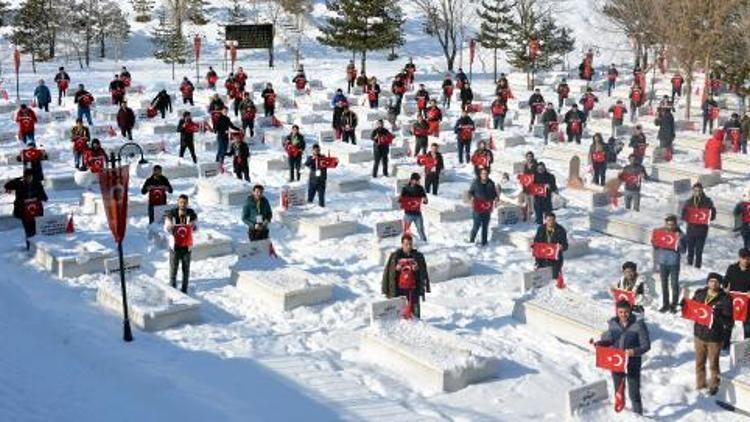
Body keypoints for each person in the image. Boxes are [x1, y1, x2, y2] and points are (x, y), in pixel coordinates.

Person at [594, 300, 651, 415]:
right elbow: (609, 340)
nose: (623, 315)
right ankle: (621, 412)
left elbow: (646, 346)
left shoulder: (639, 325)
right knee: (618, 389)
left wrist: (634, 351)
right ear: (617, 312)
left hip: (632, 362)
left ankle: (638, 415)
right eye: (620, 312)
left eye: (626, 312)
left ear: (630, 311)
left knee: (633, 392)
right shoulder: (613, 324)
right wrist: (600, 344)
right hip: (616, 361)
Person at [689, 273, 732, 395]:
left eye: (716, 282)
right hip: (699, 334)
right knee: (699, 363)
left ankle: (714, 384)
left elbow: (729, 321)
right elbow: (692, 308)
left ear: (720, 284)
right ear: (708, 282)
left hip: (714, 337)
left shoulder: (725, 299)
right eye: (711, 281)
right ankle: (700, 384)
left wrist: (719, 316)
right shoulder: (700, 294)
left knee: (713, 364)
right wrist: (685, 305)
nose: (713, 284)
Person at [382, 234, 430, 318]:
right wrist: (396, 269)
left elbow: (424, 272)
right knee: (400, 313)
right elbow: (388, 273)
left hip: (413, 289)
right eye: (406, 244)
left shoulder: (418, 256)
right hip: (399, 290)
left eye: (410, 244)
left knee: (415, 313)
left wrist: (417, 269)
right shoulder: (395, 256)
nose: (409, 246)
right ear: (402, 244)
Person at [4, 169, 48, 250]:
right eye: (27, 177)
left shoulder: (37, 184)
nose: (29, 178)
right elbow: (7, 186)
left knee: (35, 230)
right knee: (28, 231)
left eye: (30, 177)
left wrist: (37, 198)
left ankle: (36, 247)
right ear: (24, 177)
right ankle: (29, 247)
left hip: (36, 212)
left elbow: (44, 197)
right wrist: (17, 179)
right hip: (24, 212)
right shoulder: (19, 184)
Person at [164, 195, 196, 294]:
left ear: (187, 203)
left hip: (186, 246)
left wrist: (193, 226)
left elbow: (197, 226)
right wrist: (170, 227)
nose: (183, 204)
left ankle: (184, 289)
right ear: (178, 202)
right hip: (175, 246)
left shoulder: (191, 214)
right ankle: (173, 289)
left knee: (186, 270)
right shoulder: (171, 214)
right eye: (181, 202)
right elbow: (166, 227)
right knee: (173, 269)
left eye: (185, 202)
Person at [654, 215, 686, 312]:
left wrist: (679, 242)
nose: (670, 226)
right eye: (668, 224)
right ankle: (665, 304)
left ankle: (674, 305)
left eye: (672, 224)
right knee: (664, 285)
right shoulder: (660, 232)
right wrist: (655, 241)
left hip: (674, 263)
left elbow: (684, 251)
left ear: (675, 224)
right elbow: (656, 246)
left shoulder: (680, 234)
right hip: (663, 262)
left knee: (674, 285)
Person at [681, 183, 716, 269]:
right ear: (693, 191)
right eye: (695, 190)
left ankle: (697, 267)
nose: (697, 192)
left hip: (702, 230)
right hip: (691, 229)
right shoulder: (689, 201)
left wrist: (710, 214)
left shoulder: (707, 201)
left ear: (702, 190)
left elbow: (712, 215)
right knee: (690, 250)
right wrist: (685, 215)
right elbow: (683, 215)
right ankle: (689, 265)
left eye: (699, 190)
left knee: (699, 251)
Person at [723, 248, 750, 347]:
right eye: (744, 258)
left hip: (747, 300)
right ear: (739, 258)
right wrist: (725, 286)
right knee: (728, 323)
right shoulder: (732, 268)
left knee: (747, 325)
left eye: (748, 259)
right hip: (732, 299)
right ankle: (725, 343)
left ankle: (747, 346)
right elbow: (725, 280)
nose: (746, 261)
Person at [468, 168, 498, 246]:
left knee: (485, 225)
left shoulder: (491, 183)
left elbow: (494, 193)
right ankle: (472, 240)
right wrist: (471, 197)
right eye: (483, 173)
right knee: (477, 224)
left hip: (487, 207)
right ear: (480, 174)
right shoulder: (476, 182)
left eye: (486, 173)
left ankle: (484, 242)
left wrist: (496, 198)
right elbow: (470, 192)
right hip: (478, 206)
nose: (485, 175)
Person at [533, 212, 568, 279]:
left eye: (552, 220)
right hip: (542, 258)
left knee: (554, 278)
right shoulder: (541, 229)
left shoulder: (560, 230)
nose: (551, 222)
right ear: (545, 220)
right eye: (549, 220)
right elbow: (536, 242)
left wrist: (562, 247)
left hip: (555, 259)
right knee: (542, 279)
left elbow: (565, 245)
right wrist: (534, 246)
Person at [400, 173, 429, 242]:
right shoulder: (405, 188)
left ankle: (425, 243)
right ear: (411, 180)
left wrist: (425, 200)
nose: (417, 182)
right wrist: (401, 200)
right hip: (408, 214)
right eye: (415, 180)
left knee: (420, 230)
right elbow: (401, 199)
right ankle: (404, 244)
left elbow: (425, 199)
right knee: (405, 230)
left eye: (418, 180)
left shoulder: (420, 188)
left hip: (417, 214)